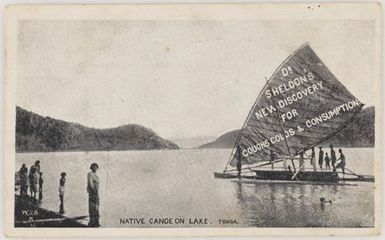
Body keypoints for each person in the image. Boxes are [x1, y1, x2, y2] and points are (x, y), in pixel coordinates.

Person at [87, 163, 100, 227]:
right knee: (92, 207)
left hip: (96, 193)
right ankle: (92, 222)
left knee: (97, 207)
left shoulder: (96, 175)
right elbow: (90, 183)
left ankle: (96, 221)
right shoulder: (90, 174)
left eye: (96, 167)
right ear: (91, 168)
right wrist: (93, 191)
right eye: (94, 167)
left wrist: (96, 192)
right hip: (92, 193)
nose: (95, 168)